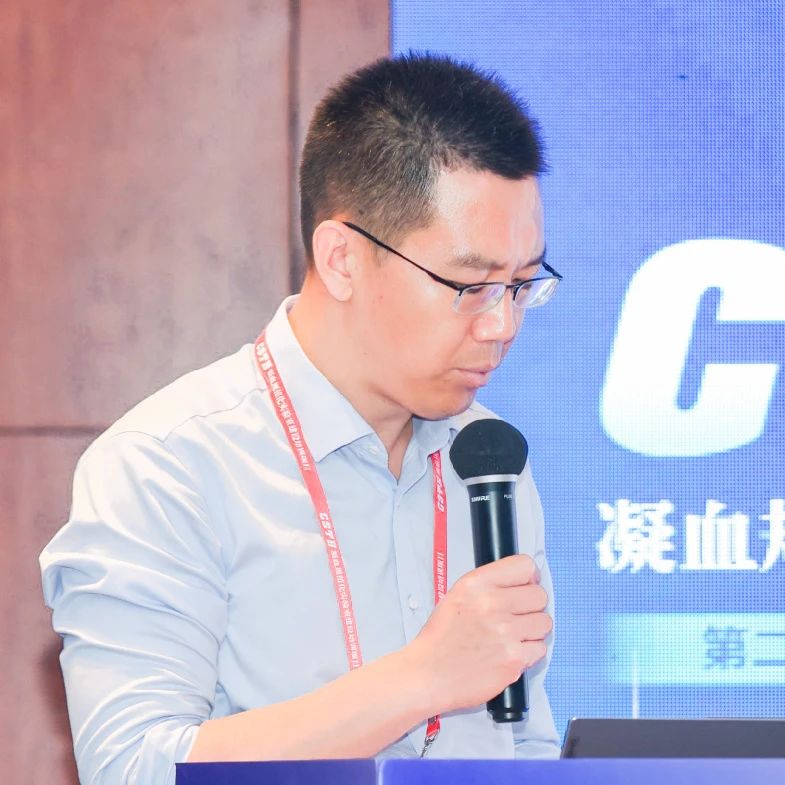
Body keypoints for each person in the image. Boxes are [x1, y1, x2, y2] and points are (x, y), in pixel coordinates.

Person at [40, 53, 563, 785]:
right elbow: (133, 768)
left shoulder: (488, 463)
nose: (502, 324)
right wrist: (421, 679)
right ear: (342, 258)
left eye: (522, 283)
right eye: (470, 285)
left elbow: (525, 747)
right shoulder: (169, 464)